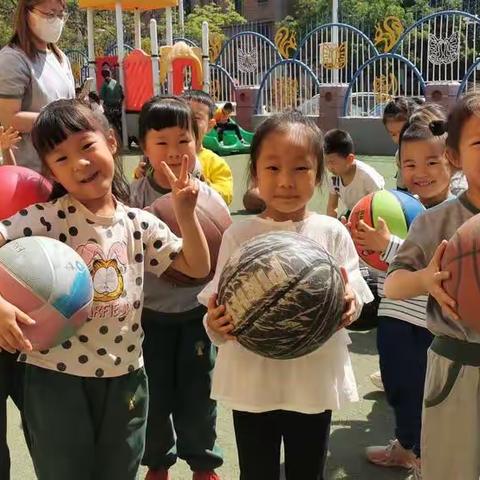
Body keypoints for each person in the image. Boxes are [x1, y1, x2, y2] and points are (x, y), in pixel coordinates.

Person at [0, 98, 210, 480]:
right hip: (55, 378)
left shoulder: (138, 223)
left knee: (120, 471)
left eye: (86, 146)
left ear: (111, 142)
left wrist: (186, 215)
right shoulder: (45, 220)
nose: (79, 163)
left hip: (126, 375)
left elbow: (196, 266)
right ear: (50, 172)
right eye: (60, 159)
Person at [199, 111, 373, 480]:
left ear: (319, 174)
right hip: (253, 378)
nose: (286, 181)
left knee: (307, 471)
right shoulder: (240, 235)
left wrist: (350, 304)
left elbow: (353, 288)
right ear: (256, 173)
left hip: (311, 377)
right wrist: (215, 324)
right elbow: (217, 305)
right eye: (273, 168)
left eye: (300, 169)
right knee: (257, 471)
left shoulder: (331, 232)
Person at [384, 91, 480, 480]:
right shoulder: (436, 221)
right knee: (451, 469)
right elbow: (393, 285)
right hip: (457, 366)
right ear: (455, 157)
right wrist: (425, 279)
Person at [355, 107, 453, 479]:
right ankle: (405, 445)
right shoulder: (394, 203)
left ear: (453, 162)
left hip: (427, 326)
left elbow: (435, 263)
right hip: (394, 316)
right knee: (396, 385)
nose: (420, 173)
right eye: (410, 164)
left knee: (421, 395)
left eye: (432, 161)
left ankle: (425, 460)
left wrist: (388, 244)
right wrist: (364, 251)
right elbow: (383, 267)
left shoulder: (450, 212)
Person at [130, 97, 224, 480]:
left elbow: (223, 252)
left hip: (195, 315)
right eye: (162, 142)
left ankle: (204, 464)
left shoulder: (208, 198)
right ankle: (158, 464)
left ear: (198, 144)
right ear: (143, 146)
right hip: (147, 317)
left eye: (183, 141)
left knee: (199, 395)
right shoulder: (133, 197)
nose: (173, 151)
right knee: (152, 398)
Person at [0, 0, 75, 173]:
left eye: (61, 14)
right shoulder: (12, 59)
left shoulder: (60, 57)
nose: (56, 20)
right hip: (31, 172)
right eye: (50, 14)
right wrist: (63, 120)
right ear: (27, 13)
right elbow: (9, 120)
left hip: (66, 170)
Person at [182, 90, 234, 205]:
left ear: (210, 125)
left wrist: (206, 187)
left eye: (195, 118)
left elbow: (227, 195)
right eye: (182, 116)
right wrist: (140, 174)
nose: (187, 122)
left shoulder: (215, 162)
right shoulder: (167, 155)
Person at [324, 129, 385, 218]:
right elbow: (332, 207)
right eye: (326, 162)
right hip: (353, 211)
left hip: (372, 212)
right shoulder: (334, 178)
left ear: (349, 159)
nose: (329, 167)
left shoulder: (367, 176)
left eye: (332, 162)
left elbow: (381, 205)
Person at [382, 97, 423, 192]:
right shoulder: (400, 155)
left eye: (403, 131)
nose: (398, 138)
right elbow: (402, 188)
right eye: (393, 134)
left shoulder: (434, 148)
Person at [99, 64, 124, 138]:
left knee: (109, 125)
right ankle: (121, 137)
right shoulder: (116, 82)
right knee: (118, 124)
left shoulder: (105, 84)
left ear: (103, 76)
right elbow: (122, 95)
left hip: (109, 108)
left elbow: (101, 97)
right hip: (118, 108)